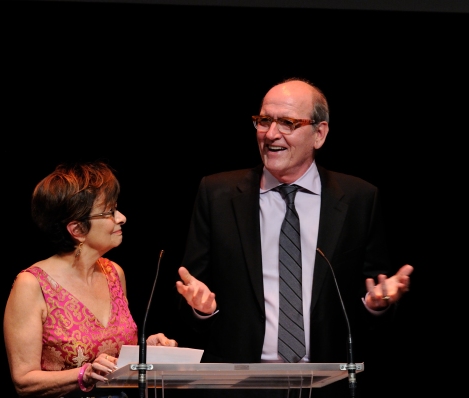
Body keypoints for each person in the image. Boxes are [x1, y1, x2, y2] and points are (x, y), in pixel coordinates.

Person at [175, 77, 413, 398]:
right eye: (264, 121)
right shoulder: (217, 194)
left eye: (287, 122)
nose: (271, 134)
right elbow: (189, 289)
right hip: (238, 383)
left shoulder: (359, 198)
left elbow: (372, 297)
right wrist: (200, 309)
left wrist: (376, 306)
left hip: (327, 383)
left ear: (319, 134)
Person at [3, 160, 177, 398]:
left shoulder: (114, 272)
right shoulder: (32, 284)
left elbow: (114, 358)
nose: (122, 218)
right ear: (77, 230)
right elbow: (24, 381)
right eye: (110, 212)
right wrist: (83, 374)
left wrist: (146, 351)